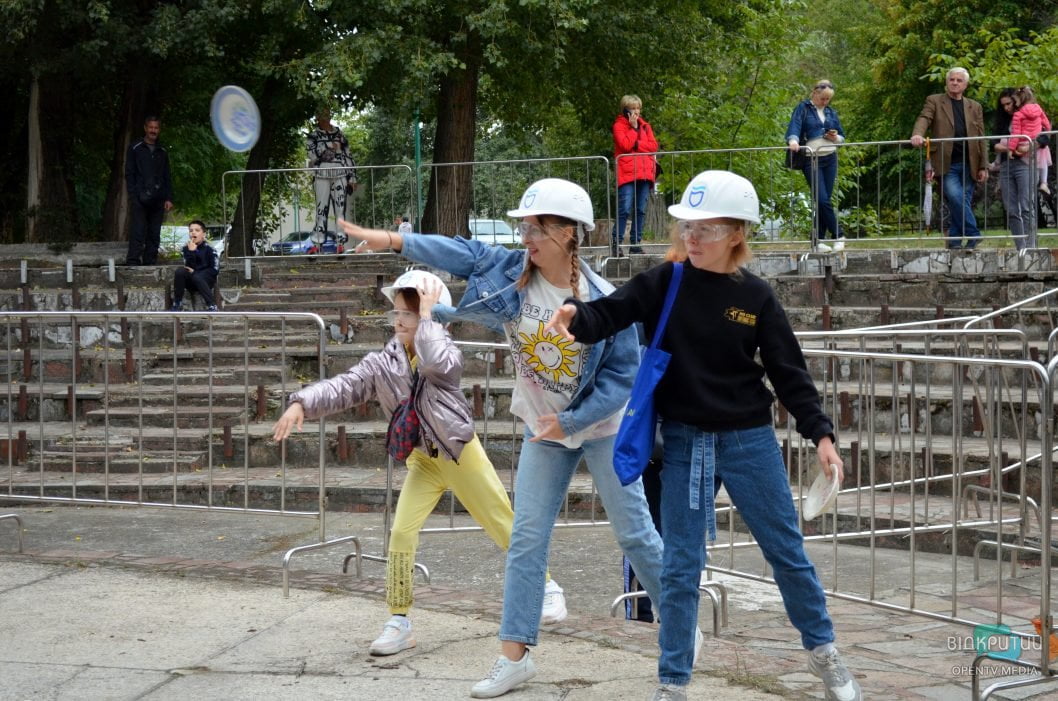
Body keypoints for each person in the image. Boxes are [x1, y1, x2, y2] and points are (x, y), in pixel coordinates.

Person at [340, 178, 668, 699]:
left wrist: (573, 419)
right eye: (524, 226)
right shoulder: (512, 273)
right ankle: (514, 658)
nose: (527, 236)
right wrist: (392, 241)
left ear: (568, 233)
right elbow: (463, 253)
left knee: (634, 534)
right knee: (527, 541)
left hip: (600, 428)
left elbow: (621, 378)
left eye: (537, 227)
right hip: (543, 430)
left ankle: (679, 623)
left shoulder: (606, 301)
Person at [545, 170, 861, 701]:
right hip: (686, 442)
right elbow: (610, 313)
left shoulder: (756, 297)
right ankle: (672, 683)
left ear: (737, 233)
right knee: (680, 566)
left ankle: (824, 653)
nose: (691, 238)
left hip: (749, 441)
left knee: (787, 553)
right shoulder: (664, 281)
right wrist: (576, 317)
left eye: (706, 229)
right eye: (687, 227)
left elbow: (790, 373)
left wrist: (821, 436)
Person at [271, 270, 568, 657]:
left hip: (458, 454)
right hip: (423, 462)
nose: (398, 321)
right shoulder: (384, 361)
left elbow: (438, 364)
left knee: (502, 522)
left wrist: (430, 318)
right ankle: (399, 621)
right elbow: (345, 385)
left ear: (430, 317)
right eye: (396, 313)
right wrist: (301, 403)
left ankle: (547, 588)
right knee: (400, 535)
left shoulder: (444, 351)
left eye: (408, 314)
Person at [910, 67, 989, 250]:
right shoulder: (935, 101)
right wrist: (917, 134)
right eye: (951, 79)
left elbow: (982, 137)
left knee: (959, 203)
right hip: (946, 163)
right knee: (955, 197)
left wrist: (984, 166)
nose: (954, 82)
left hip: (971, 163)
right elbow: (924, 118)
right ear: (947, 82)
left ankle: (954, 242)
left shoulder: (975, 106)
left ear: (966, 84)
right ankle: (974, 234)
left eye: (959, 80)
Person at [786, 80, 846, 252]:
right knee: (821, 199)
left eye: (828, 99)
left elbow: (842, 136)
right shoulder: (803, 108)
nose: (825, 102)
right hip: (811, 159)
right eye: (822, 98)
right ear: (814, 93)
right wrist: (793, 140)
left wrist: (836, 138)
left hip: (830, 158)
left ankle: (817, 241)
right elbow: (795, 125)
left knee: (823, 201)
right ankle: (838, 234)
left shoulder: (830, 112)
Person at [1004, 86, 1051, 250]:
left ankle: (1028, 245)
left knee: (1024, 204)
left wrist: (1011, 149)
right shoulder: (1038, 109)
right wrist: (1037, 139)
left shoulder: (1018, 115)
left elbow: (1016, 133)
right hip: (1035, 147)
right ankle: (1044, 182)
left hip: (1024, 148)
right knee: (1043, 163)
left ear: (1019, 101)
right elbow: (1047, 125)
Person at [125, 115, 173, 266]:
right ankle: (133, 264)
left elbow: (167, 175)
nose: (153, 130)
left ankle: (150, 264)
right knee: (138, 232)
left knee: (154, 234)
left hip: (158, 199)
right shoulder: (135, 148)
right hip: (140, 198)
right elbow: (129, 172)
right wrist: (133, 195)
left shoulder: (163, 151)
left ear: (159, 130)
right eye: (151, 127)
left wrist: (169, 198)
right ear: (145, 128)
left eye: (156, 128)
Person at [613, 95, 659, 255]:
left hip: (645, 173)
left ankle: (635, 244)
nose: (636, 112)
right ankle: (616, 244)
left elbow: (653, 146)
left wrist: (637, 144)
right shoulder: (619, 126)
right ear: (625, 110)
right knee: (624, 209)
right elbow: (625, 145)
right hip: (627, 173)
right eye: (633, 109)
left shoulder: (646, 126)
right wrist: (632, 129)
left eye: (638, 108)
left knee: (640, 210)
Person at [307, 108, 356, 236]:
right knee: (321, 208)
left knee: (340, 209)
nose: (325, 117)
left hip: (340, 174)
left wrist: (352, 178)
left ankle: (341, 238)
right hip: (321, 175)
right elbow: (313, 157)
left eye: (327, 114)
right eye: (321, 114)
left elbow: (348, 156)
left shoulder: (340, 135)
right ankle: (318, 240)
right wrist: (332, 148)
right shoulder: (313, 136)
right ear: (317, 118)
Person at [170, 220, 219, 312]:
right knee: (180, 271)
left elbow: (214, 270)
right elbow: (189, 267)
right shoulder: (186, 248)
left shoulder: (210, 249)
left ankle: (212, 305)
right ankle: (177, 303)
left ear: (203, 234)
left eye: (197, 230)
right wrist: (192, 252)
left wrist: (196, 273)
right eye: (191, 230)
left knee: (197, 276)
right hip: (191, 281)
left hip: (206, 281)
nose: (193, 233)